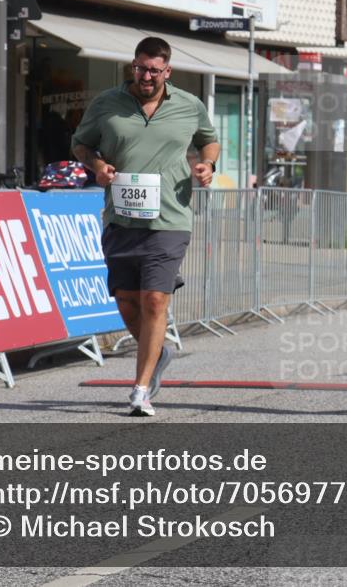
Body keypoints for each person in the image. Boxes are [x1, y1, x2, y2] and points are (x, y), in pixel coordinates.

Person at [72, 37, 219, 417]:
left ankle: (140, 389)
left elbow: (210, 140)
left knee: (155, 299)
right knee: (126, 300)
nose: (147, 76)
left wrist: (207, 165)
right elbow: (82, 145)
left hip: (170, 218)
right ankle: (158, 353)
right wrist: (97, 166)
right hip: (121, 218)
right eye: (140, 68)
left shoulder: (189, 105)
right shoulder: (107, 103)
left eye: (154, 70)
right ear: (132, 66)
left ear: (167, 71)